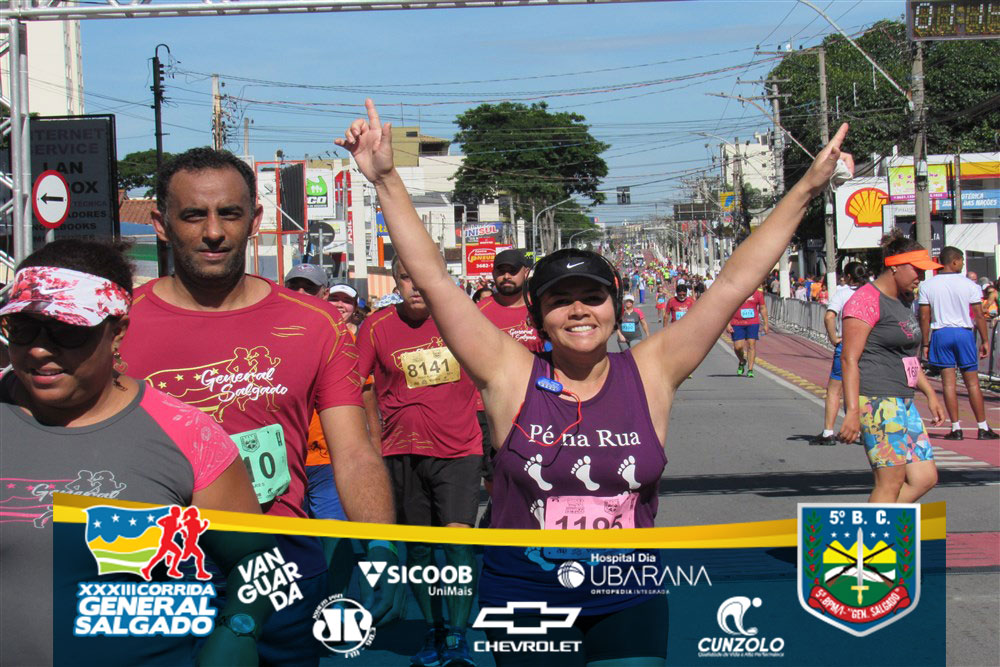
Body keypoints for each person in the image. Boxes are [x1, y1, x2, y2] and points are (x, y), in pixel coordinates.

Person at [337, 99, 853, 665]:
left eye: (593, 297)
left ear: (615, 307)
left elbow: (733, 282)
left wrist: (808, 187)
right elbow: (434, 279)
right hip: (526, 594)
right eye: (561, 301)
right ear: (539, 317)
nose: (579, 310)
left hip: (627, 594)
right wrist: (385, 179)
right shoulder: (510, 374)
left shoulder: (651, 372)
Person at [119, 147, 394, 667]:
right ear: (160, 224)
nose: (214, 232)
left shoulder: (316, 323)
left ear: (256, 219)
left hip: (280, 570)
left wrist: (380, 548)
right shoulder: (117, 325)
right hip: (157, 572)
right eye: (193, 215)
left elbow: (355, 454)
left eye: (230, 213)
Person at [0, 240, 282, 666]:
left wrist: (239, 628)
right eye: (23, 328)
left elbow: (258, 562)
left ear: (117, 331)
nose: (39, 349)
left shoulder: (188, 435)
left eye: (66, 330)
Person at [357, 255, 482, 667]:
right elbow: (356, 384)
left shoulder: (462, 318)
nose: (415, 286)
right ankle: (433, 629)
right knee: (421, 549)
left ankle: (458, 636)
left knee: (458, 542)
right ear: (396, 283)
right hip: (401, 451)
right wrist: (370, 442)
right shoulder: (376, 327)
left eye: (421, 277)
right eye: (405, 278)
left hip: (459, 449)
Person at [837, 234, 946, 502]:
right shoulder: (865, 300)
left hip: (904, 400)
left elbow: (907, 357)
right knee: (890, 482)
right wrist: (852, 411)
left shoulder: (903, 300)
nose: (921, 277)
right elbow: (849, 359)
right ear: (895, 266)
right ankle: (875, 528)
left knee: (924, 478)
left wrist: (930, 394)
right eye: (917, 269)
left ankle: (875, 522)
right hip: (877, 399)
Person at [918, 247, 997, 440]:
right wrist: (985, 340)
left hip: (941, 333)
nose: (962, 264)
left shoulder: (927, 285)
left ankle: (955, 428)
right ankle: (982, 427)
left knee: (948, 384)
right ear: (954, 262)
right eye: (961, 260)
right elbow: (979, 315)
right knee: (972, 383)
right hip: (963, 333)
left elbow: (924, 316)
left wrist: (925, 343)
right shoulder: (969, 285)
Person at [810, 262, 867, 446]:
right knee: (864, 389)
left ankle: (828, 432)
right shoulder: (873, 292)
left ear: (848, 277)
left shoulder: (843, 293)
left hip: (848, 345)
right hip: (870, 346)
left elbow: (829, 316)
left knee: (835, 389)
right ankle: (864, 431)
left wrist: (834, 338)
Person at [726, 283, 769, 378]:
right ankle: (742, 361)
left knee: (751, 345)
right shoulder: (735, 293)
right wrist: (727, 324)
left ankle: (750, 369)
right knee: (738, 347)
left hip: (753, 322)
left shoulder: (758, 293)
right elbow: (728, 309)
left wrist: (766, 324)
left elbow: (762, 308)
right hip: (737, 322)